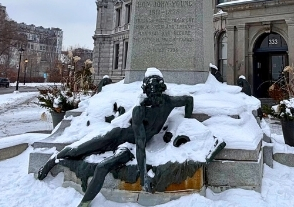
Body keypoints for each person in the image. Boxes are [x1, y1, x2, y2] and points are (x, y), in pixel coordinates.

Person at [36, 73, 194, 207]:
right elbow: (140, 142)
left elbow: (188, 100)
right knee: (78, 150)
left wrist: (187, 121)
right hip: (117, 136)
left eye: (157, 94)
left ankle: (84, 204)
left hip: (128, 146)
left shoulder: (169, 103)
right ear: (145, 92)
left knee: (102, 167)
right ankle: (52, 160)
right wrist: (144, 174)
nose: (154, 98)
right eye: (150, 94)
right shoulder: (140, 110)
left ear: (162, 90)